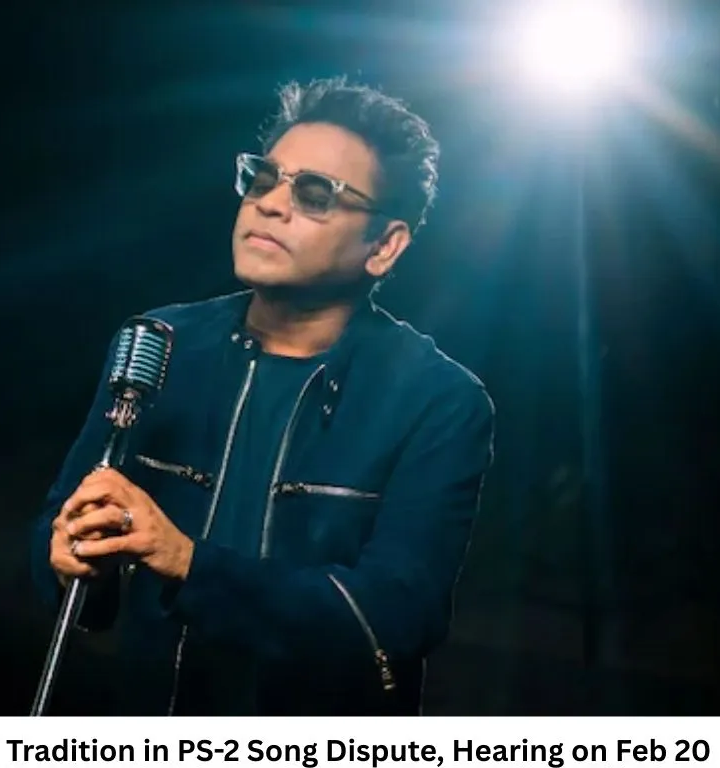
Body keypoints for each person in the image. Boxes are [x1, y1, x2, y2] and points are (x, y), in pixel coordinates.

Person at [30, 76, 495, 715]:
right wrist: (63, 555)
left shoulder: (439, 401)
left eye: (316, 193)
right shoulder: (160, 343)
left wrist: (188, 563)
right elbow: (58, 530)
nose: (271, 205)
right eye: (264, 179)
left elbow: (396, 617)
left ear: (384, 246)